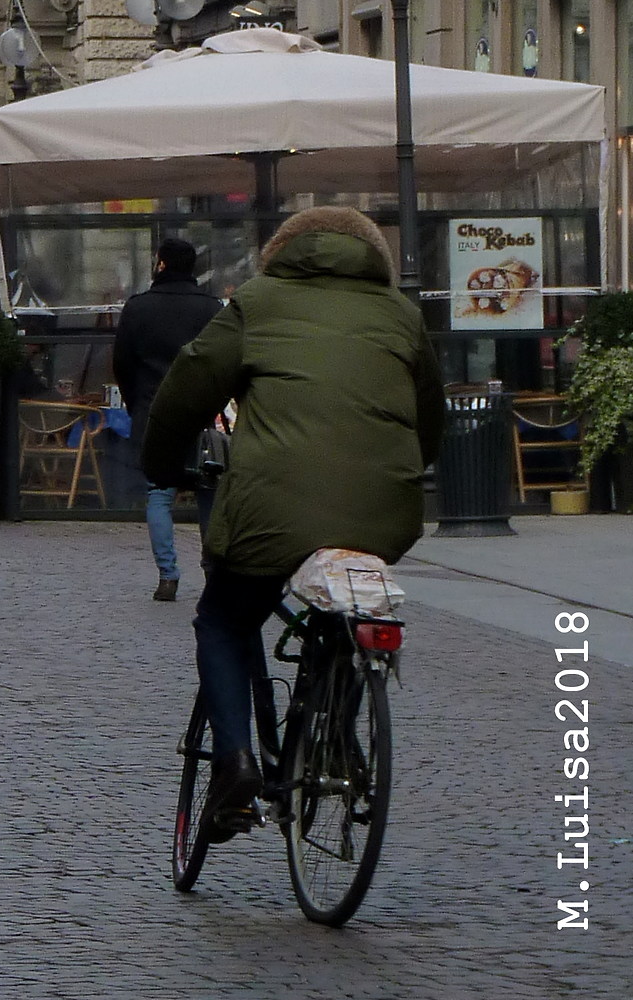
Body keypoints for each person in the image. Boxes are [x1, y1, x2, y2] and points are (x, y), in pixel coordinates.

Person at [143, 206, 445, 840]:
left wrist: (163, 465)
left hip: (271, 507)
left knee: (225, 620)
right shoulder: (401, 315)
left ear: (281, 251)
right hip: (382, 509)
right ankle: (336, 738)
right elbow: (430, 421)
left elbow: (188, 387)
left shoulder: (258, 301)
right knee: (350, 617)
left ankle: (234, 766)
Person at [113, 236, 222, 602]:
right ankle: (211, 572)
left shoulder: (139, 308)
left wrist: (136, 405)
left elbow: (123, 364)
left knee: (159, 494)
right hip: (200, 413)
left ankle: (168, 576)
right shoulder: (211, 307)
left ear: (161, 264)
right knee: (209, 491)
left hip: (153, 410)